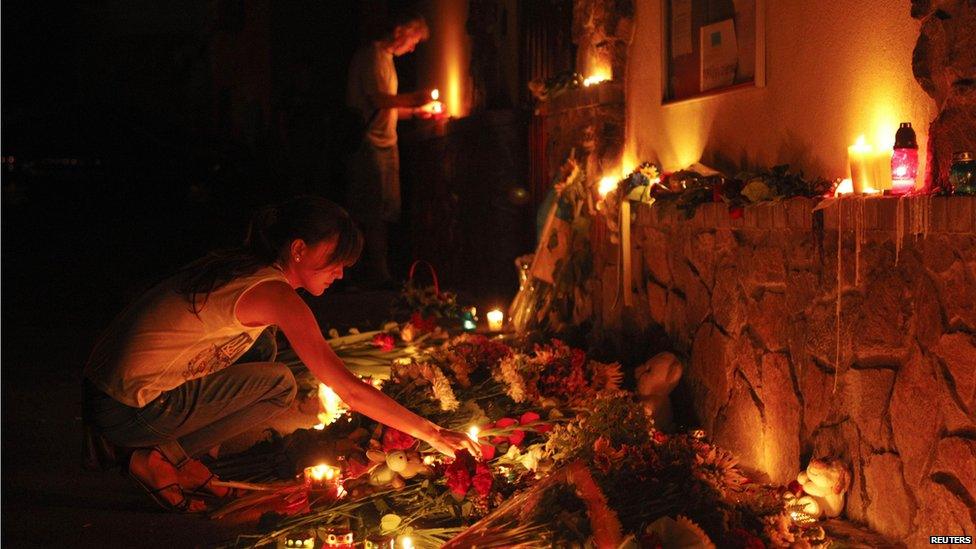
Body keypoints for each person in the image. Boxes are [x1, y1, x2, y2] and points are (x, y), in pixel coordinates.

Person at [83, 196, 479, 513]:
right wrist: (432, 432)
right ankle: (159, 457)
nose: (341, 273)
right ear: (299, 249)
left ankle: (164, 454)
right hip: (126, 408)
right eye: (336, 259)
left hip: (104, 392)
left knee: (265, 347)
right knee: (277, 385)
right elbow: (347, 389)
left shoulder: (249, 269)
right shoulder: (274, 295)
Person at [345, 8, 440, 288]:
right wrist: (414, 99)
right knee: (371, 210)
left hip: (386, 143)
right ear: (400, 32)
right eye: (413, 41)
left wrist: (417, 111)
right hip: (369, 144)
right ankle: (375, 272)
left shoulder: (385, 59)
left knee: (384, 209)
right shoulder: (371, 56)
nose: (412, 49)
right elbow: (378, 100)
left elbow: (390, 107)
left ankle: (377, 270)